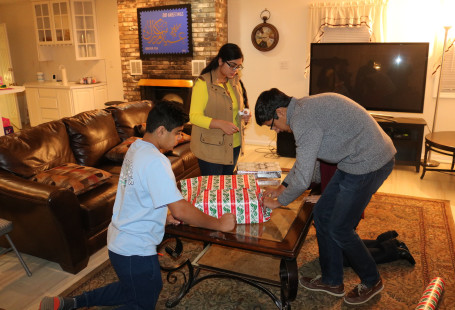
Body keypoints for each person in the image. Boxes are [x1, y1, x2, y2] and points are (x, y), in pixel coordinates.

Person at [39, 100, 236, 310]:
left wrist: (162, 215)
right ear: (161, 130)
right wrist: (218, 224)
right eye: (178, 132)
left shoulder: (136, 148)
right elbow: (181, 209)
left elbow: (139, 193)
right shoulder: (156, 161)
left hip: (120, 241)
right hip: (135, 249)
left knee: (134, 288)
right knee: (143, 301)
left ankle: (69, 303)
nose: (180, 138)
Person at [254, 89, 396, 305]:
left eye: (271, 125)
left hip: (370, 162)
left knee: (340, 228)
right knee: (321, 213)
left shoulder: (303, 119)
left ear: (280, 112)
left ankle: (372, 280)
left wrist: (279, 202)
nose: (276, 130)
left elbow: (303, 178)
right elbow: (306, 165)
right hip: (353, 161)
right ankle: (332, 281)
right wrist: (282, 186)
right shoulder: (302, 110)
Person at [189, 43, 251, 176]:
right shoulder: (203, 83)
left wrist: (243, 114)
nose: (235, 70)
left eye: (238, 66)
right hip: (211, 148)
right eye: (232, 65)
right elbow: (194, 116)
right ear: (220, 61)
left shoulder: (234, 81)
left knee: (226, 186)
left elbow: (235, 109)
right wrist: (220, 124)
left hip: (233, 145)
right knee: (214, 190)